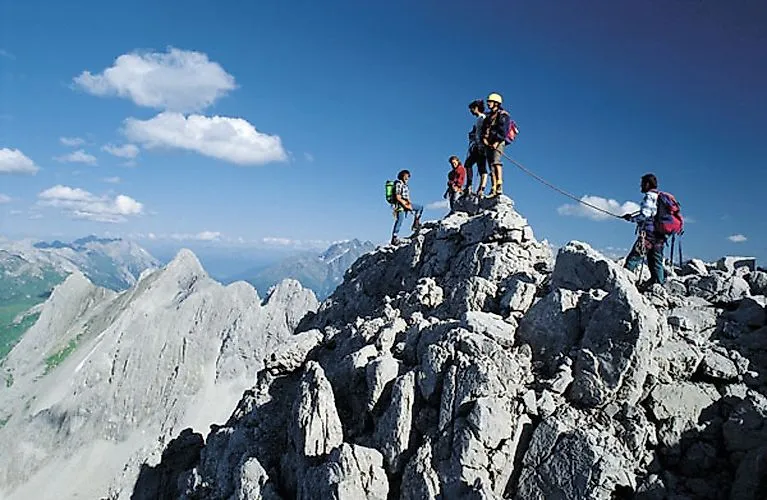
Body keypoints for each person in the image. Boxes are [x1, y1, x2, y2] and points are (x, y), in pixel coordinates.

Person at [622, 173, 667, 287]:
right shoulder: (660, 197)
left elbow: (645, 215)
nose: (641, 186)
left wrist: (631, 219)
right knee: (656, 262)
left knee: (633, 259)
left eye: (642, 184)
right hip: (660, 236)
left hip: (648, 235)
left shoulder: (649, 196)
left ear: (647, 184)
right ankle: (659, 286)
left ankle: (624, 283)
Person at [480, 92, 510, 197]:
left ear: (496, 103)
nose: (488, 104)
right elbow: (484, 129)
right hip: (488, 143)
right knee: (491, 166)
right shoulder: (488, 116)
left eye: (490, 102)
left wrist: (497, 141)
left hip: (498, 142)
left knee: (496, 162)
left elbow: (503, 130)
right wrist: (484, 139)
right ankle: (493, 187)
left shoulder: (503, 115)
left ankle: (499, 185)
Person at [391, 169, 424, 245]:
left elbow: (407, 196)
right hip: (400, 205)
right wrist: (405, 205)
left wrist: (409, 204)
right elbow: (398, 196)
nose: (407, 178)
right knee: (400, 220)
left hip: (406, 203)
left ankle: (416, 224)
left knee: (420, 208)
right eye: (405, 176)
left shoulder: (406, 186)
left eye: (408, 176)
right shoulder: (399, 183)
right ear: (402, 176)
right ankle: (394, 238)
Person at [464, 100, 488, 197]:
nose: (471, 111)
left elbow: (484, 131)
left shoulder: (482, 118)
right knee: (474, 165)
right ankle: (477, 187)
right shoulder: (480, 118)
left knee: (479, 167)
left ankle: (478, 187)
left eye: (472, 109)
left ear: (476, 108)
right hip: (478, 145)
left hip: (481, 146)